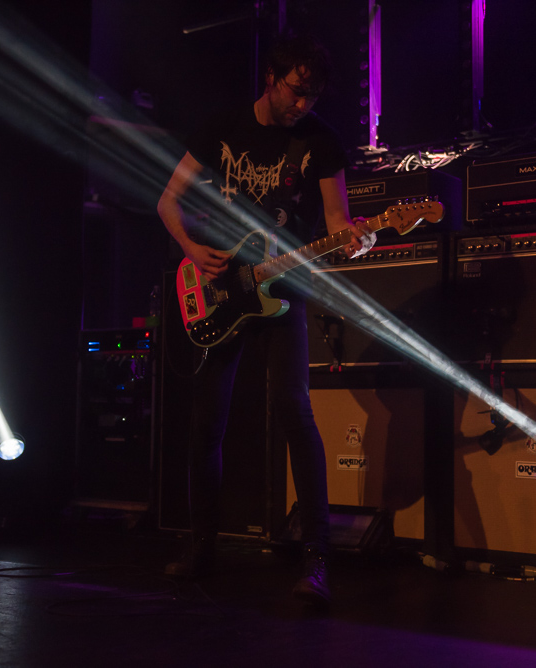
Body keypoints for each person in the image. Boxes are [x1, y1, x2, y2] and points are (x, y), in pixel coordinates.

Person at [157, 34, 376, 607]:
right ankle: (201, 547)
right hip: (220, 285)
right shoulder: (222, 126)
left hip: (283, 286)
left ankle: (317, 560)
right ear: (272, 79)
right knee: (207, 422)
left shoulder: (321, 142)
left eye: (313, 94)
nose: (303, 104)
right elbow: (167, 201)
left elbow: (337, 222)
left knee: (295, 412)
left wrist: (355, 242)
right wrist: (189, 250)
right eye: (296, 91)